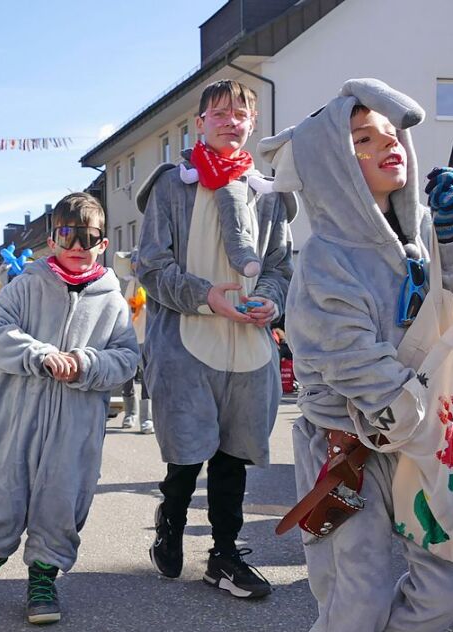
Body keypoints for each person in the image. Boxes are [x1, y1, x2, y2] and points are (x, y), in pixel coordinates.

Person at [260, 78, 453, 632]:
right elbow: (360, 371)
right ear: (329, 165)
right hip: (346, 447)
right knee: (357, 583)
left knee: (444, 584)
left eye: (389, 133)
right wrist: (430, 431)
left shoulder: (414, 240)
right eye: (361, 138)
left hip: (415, 442)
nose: (387, 144)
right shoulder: (323, 259)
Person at [0, 192, 138, 624]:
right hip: (15, 418)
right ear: (51, 239)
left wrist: (86, 364)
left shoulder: (112, 300)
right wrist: (39, 355)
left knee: (62, 499)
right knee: (1, 490)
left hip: (76, 426)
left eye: (87, 237)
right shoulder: (25, 285)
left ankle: (44, 577)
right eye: (67, 234)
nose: (76, 245)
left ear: (102, 244)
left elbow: (127, 359)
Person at [136, 79, 294, 599]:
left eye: (241, 113)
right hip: (188, 340)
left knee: (233, 457)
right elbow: (151, 266)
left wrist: (271, 298)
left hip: (247, 345)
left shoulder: (267, 192)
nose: (231, 120)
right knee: (186, 454)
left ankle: (224, 555)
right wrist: (208, 297)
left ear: (252, 124)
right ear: (199, 122)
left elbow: (279, 264)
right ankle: (172, 520)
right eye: (219, 112)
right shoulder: (172, 185)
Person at [120, 252, 153, 433]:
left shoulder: (150, 282)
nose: (135, 265)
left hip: (147, 335)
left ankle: (146, 418)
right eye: (134, 262)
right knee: (128, 376)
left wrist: (144, 306)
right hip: (129, 334)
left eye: (138, 262)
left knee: (147, 376)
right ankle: (130, 414)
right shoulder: (129, 281)